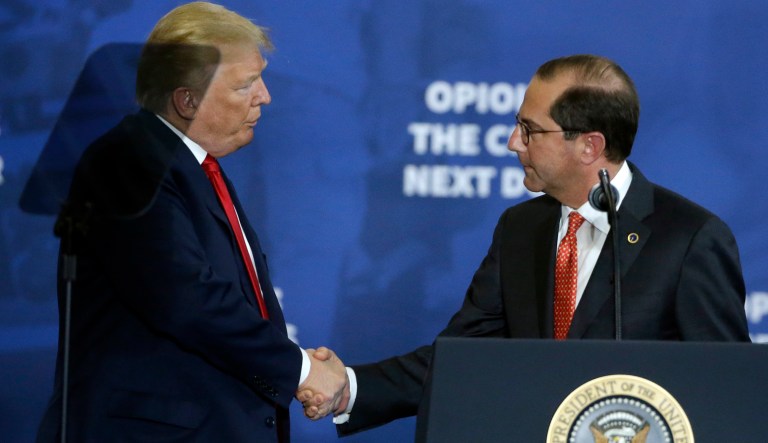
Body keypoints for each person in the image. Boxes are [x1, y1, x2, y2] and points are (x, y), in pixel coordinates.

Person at [298, 54, 751, 434]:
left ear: (589, 146)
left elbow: (727, 391)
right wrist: (351, 386)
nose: (514, 142)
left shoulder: (690, 238)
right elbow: (463, 357)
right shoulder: (520, 228)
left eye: (530, 130)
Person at [36, 2, 346, 442]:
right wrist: (302, 370)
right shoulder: (131, 161)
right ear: (188, 99)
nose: (265, 96)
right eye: (246, 84)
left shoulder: (194, 169)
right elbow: (187, 298)